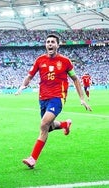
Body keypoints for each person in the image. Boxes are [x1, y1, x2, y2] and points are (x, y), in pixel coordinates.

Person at [15, 33, 92, 169]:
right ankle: (64, 124)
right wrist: (22, 86)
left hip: (57, 97)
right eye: (48, 42)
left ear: (58, 45)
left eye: (52, 42)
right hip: (42, 98)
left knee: (43, 124)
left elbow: (75, 79)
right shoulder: (40, 60)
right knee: (49, 127)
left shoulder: (65, 61)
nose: (50, 44)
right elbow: (29, 76)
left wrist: (82, 99)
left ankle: (33, 158)